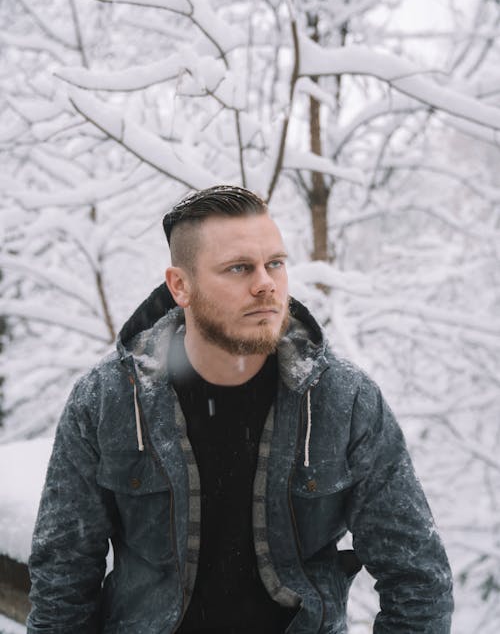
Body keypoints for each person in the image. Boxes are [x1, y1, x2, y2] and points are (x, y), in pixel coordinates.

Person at [27, 185, 453, 634]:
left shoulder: (344, 401)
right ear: (180, 286)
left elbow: (419, 580)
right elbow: (63, 577)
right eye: (238, 268)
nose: (265, 284)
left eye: (275, 264)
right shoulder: (108, 401)